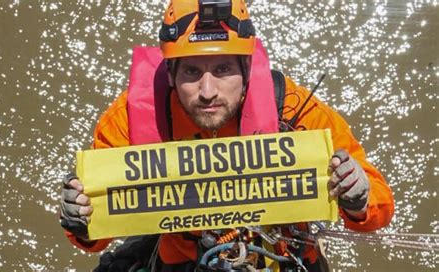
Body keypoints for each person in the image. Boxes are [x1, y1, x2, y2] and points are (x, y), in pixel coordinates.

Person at [60, 0, 394, 271]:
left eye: (223, 70)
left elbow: (379, 207)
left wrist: (358, 198)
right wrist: (80, 222)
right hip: (185, 259)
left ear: (247, 71)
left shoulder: (290, 107)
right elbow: (93, 237)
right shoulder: (130, 118)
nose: (207, 91)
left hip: (281, 256)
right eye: (192, 71)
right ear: (172, 74)